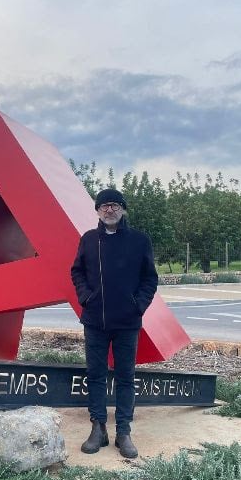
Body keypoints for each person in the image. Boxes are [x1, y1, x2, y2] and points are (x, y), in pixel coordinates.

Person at [70, 189, 158, 457]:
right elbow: (77, 272)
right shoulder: (88, 240)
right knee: (95, 375)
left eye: (115, 205)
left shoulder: (139, 241)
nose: (110, 210)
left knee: (125, 378)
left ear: (123, 209)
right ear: (97, 210)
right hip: (95, 321)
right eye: (105, 205)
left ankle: (123, 431)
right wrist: (86, 297)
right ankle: (98, 428)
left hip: (127, 322)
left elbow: (149, 279)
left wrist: (138, 305)